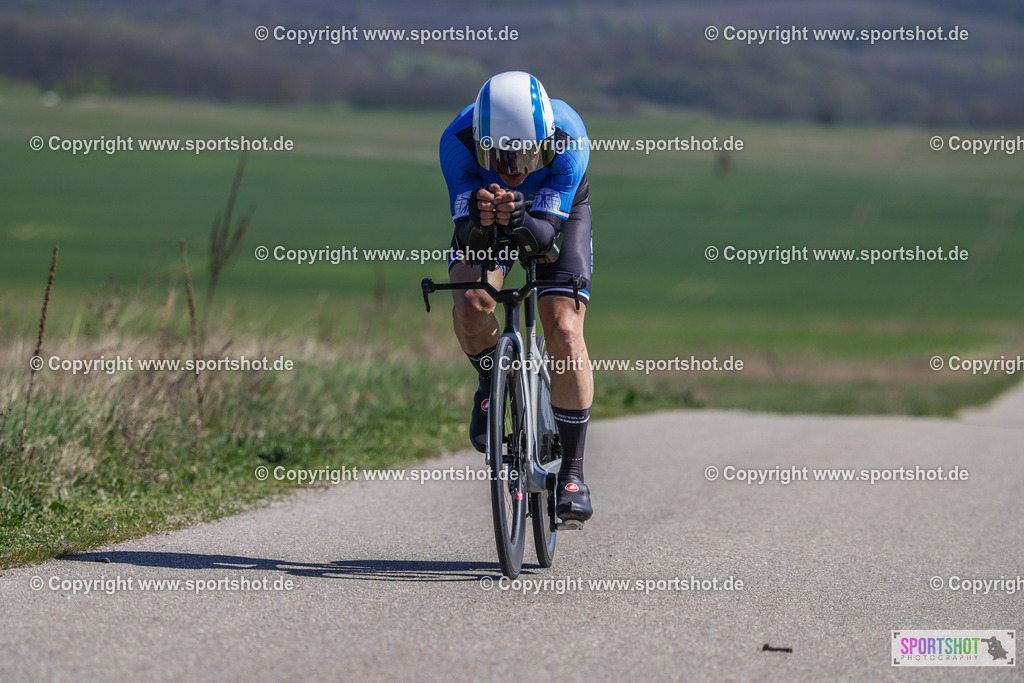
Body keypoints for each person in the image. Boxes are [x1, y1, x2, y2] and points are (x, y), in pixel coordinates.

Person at [438, 71, 594, 524]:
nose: (513, 168)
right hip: (489, 215)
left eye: (525, 154)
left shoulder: (569, 140)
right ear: (482, 142)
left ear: (544, 140)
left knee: (563, 327)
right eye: (500, 157)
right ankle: (491, 381)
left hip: (555, 213)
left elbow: (545, 237)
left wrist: (523, 216)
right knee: (470, 303)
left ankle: (572, 472)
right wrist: (480, 216)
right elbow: (468, 234)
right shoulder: (458, 141)